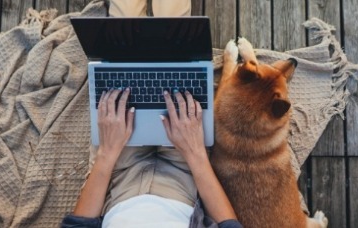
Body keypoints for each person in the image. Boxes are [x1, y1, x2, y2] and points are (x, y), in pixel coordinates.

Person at [62, 1, 243, 227]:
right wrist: (195, 152)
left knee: (122, 32)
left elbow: (79, 223)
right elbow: (229, 224)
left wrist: (107, 153)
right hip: (186, 172)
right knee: (175, 33)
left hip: (118, 175)